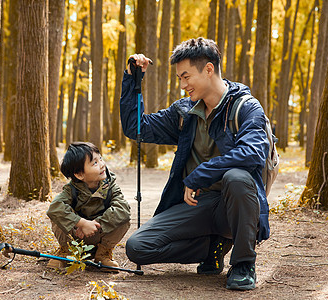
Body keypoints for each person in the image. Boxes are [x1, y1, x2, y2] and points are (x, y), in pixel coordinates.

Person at [120, 37, 270, 290]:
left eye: (186, 77)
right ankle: (212, 247)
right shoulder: (184, 112)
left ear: (208, 69)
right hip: (196, 206)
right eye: (180, 78)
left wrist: (200, 174)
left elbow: (252, 153)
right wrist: (132, 81)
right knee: (138, 248)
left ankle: (243, 263)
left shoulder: (246, 107)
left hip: (233, 206)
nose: (182, 85)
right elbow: (137, 128)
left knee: (237, 177)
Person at [46, 142, 131, 270]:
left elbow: (123, 209)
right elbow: (54, 207)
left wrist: (95, 224)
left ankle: (102, 255)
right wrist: (81, 223)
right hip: (76, 237)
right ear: (79, 174)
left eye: (100, 158)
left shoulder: (110, 185)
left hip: (100, 235)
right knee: (57, 215)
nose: (102, 164)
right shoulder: (71, 190)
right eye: (95, 163)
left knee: (123, 220)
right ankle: (67, 252)